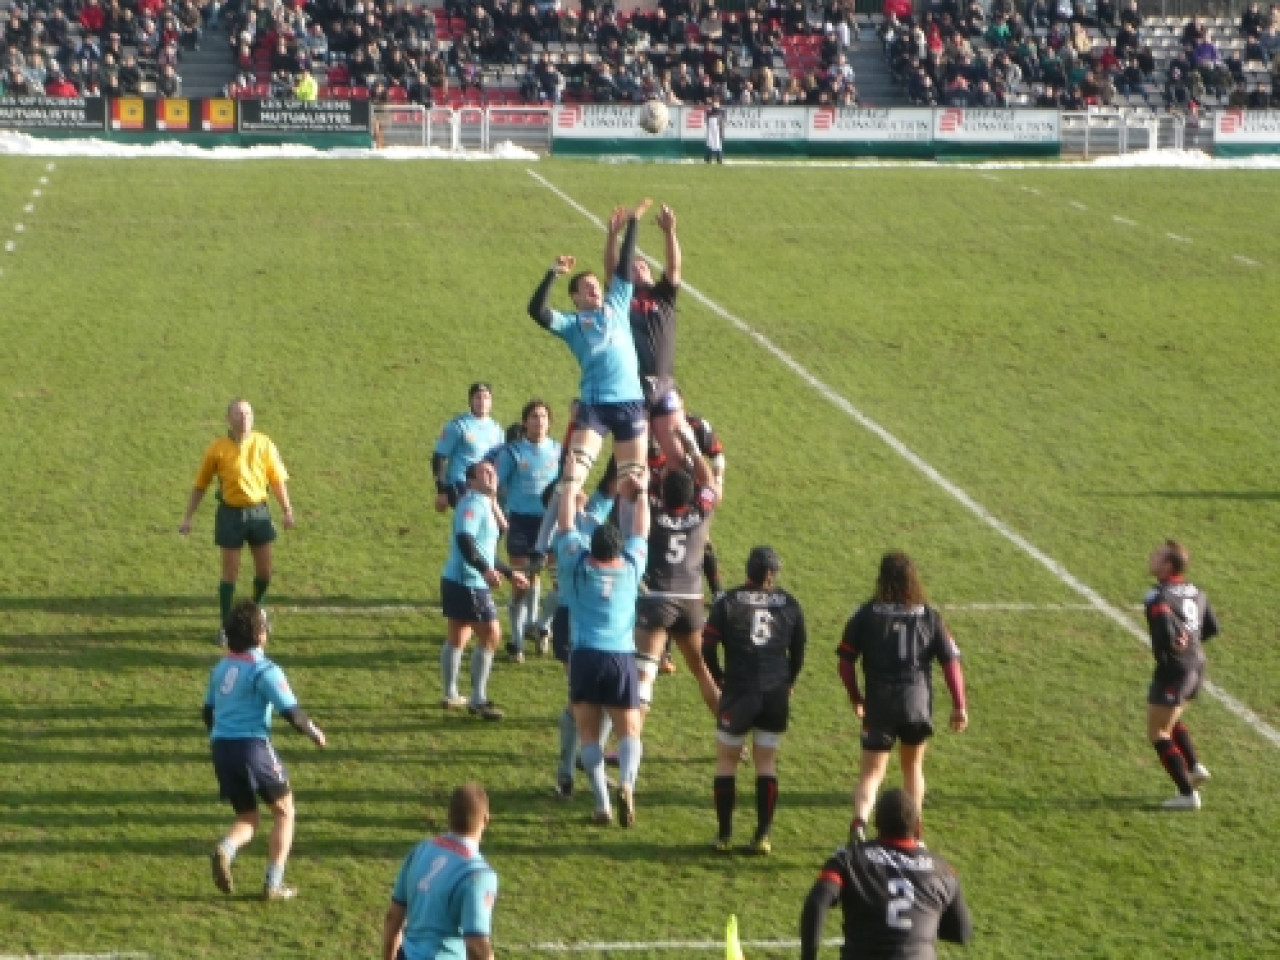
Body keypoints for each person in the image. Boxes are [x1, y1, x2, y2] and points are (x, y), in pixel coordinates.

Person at [526, 198, 652, 517]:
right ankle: (550, 547)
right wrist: (553, 273)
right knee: (572, 478)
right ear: (575, 297)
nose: (595, 290)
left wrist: (634, 223)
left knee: (635, 485)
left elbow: (624, 266)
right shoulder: (570, 324)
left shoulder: (618, 303)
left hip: (630, 402)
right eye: (587, 287)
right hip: (595, 407)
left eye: (596, 285)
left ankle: (630, 555)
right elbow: (536, 311)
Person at [838, 552, 968, 844]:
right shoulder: (930, 616)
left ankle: (859, 823)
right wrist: (959, 705)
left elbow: (845, 663)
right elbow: (951, 664)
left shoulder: (866, 614)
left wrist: (856, 696)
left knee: (871, 773)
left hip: (880, 704)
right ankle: (913, 832)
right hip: (916, 704)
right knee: (913, 768)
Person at [205, 600, 326, 901]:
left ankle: (226, 848)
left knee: (249, 816)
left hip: (221, 750)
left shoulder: (220, 668)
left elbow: (208, 712)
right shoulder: (264, 669)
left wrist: (221, 737)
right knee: (285, 812)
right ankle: (273, 884)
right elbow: (293, 713)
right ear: (259, 635)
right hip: (252, 749)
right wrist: (315, 733)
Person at [554, 468, 649, 826]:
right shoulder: (630, 567)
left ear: (590, 546)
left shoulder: (577, 565)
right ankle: (627, 782)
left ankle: (602, 804)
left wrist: (569, 487)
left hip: (584, 656)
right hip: (620, 656)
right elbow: (641, 531)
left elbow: (565, 528)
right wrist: (640, 496)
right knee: (630, 730)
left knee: (589, 735)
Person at [702, 546, 806, 854]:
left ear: (748, 570)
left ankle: (724, 836)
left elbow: (707, 646)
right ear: (774, 574)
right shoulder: (790, 604)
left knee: (726, 762)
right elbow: (799, 650)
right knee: (766, 763)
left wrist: (719, 677)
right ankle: (762, 836)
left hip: (739, 691)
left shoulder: (728, 602)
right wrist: (790, 680)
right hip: (774, 692)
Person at [799, 788, 973, 960]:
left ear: (877, 824)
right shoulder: (943, 870)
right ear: (918, 827)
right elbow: (962, 932)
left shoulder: (849, 859)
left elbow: (817, 902)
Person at [180, 399, 294, 644]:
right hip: (230, 515)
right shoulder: (217, 449)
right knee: (230, 572)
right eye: (239, 413)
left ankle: (256, 610)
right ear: (228, 418)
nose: (245, 418)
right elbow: (201, 484)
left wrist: (287, 509)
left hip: (259, 513)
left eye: (249, 413)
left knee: (265, 571)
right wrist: (188, 517)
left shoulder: (264, 444)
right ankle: (225, 626)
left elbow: (276, 479)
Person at [635, 420, 722, 715]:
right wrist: (694, 449)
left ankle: (628, 742)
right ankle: (731, 736)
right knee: (701, 670)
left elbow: (639, 488)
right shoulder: (701, 516)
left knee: (644, 674)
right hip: (691, 600)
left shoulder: (654, 514)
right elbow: (710, 483)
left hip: (657, 599)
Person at [440, 461, 530, 720]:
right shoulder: (472, 504)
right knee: (491, 634)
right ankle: (478, 699)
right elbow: (465, 541)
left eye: (493, 471)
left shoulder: (486, 506)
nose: (491, 475)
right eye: (484, 473)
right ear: (471, 482)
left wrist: (511, 573)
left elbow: (486, 553)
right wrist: (484, 571)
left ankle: (451, 694)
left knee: (458, 636)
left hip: (458, 579)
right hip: (468, 582)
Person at [602, 203, 688, 471]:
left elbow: (674, 267)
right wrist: (612, 235)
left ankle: (682, 499)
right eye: (634, 265)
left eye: (643, 265)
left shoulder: (664, 296)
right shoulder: (622, 296)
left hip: (663, 381)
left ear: (651, 273)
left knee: (676, 452)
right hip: (633, 383)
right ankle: (626, 502)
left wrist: (669, 232)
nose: (638, 267)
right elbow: (610, 268)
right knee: (633, 455)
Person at [382, 783, 498, 960]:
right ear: (486, 819)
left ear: (449, 816)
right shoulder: (478, 875)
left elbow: (393, 916)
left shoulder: (420, 851)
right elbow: (476, 945)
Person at [1144, 540, 1218, 810]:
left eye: (1158, 555)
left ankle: (1187, 794)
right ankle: (1194, 766)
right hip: (1197, 666)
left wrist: (1170, 649)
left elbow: (1164, 629)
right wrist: (1189, 644)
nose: (1152, 557)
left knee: (1157, 732)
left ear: (1168, 565)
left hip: (1174, 669)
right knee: (1171, 719)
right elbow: (1211, 627)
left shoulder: (1157, 595)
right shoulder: (1197, 591)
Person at [491, 399, 561, 661]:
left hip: (550, 523)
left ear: (549, 422)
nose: (539, 421)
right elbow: (494, 486)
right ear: (525, 422)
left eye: (543, 416)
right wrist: (497, 514)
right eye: (533, 416)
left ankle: (543, 625)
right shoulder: (512, 452)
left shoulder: (558, 451)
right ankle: (518, 643)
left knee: (559, 582)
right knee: (522, 583)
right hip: (521, 523)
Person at [433, 382, 504, 511]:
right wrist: (441, 491)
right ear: (470, 401)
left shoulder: (497, 429)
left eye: (486, 397)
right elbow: (439, 457)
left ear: (491, 401)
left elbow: (500, 460)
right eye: (478, 397)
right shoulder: (458, 425)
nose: (482, 401)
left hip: (486, 485)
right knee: (472, 513)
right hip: (461, 483)